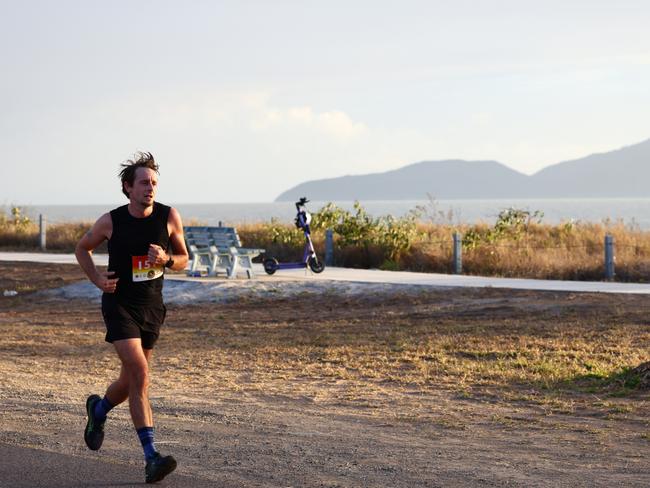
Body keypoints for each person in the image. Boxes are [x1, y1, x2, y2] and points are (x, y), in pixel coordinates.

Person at [75, 152, 189, 484]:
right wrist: (97, 279)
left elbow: (184, 259)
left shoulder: (169, 216)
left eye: (153, 182)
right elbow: (83, 248)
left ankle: (97, 411)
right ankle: (151, 457)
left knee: (130, 381)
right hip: (119, 304)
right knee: (140, 373)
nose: (150, 188)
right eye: (143, 182)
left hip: (152, 308)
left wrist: (167, 259)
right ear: (128, 188)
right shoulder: (112, 221)